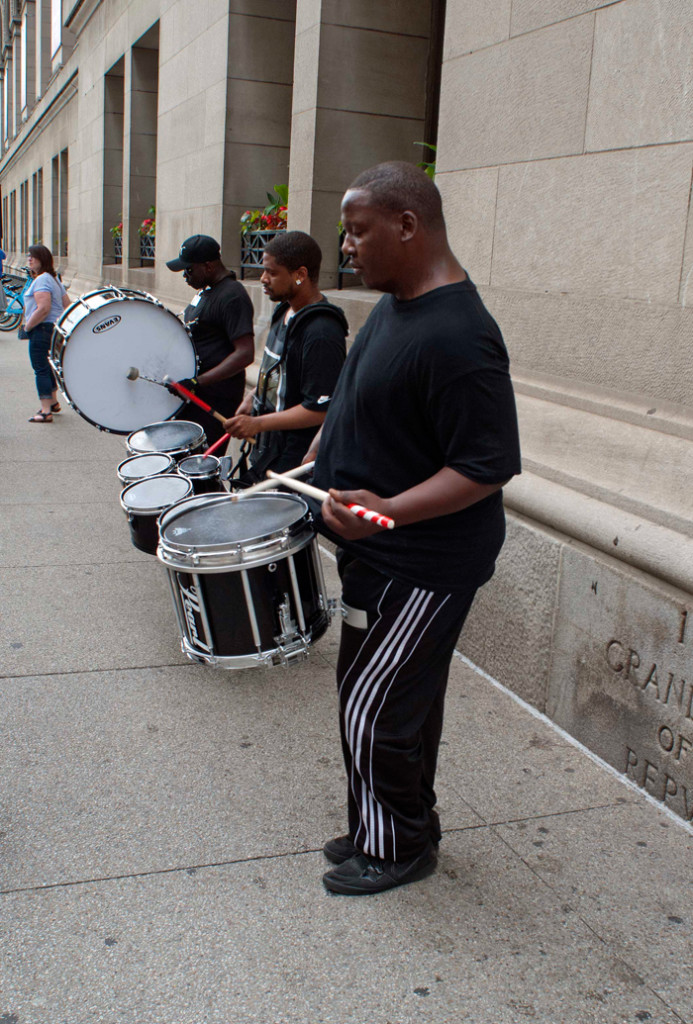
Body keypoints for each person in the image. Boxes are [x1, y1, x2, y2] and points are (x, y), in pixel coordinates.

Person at [306, 162, 522, 896]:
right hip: (375, 554)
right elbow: (365, 394)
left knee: (372, 706)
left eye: (358, 230)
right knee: (392, 697)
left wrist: (385, 512)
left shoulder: (461, 335)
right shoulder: (396, 304)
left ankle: (397, 849)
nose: (347, 245)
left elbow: (487, 466)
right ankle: (389, 822)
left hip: (423, 561)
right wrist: (322, 447)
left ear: (407, 225)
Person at [222, 230, 347, 481]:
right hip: (269, 451)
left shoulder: (321, 332)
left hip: (294, 463)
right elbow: (278, 368)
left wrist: (259, 424)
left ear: (300, 275)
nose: (263, 279)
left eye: (272, 272)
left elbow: (320, 410)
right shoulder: (284, 311)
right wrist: (254, 395)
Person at [166, 234, 255, 449]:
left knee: (201, 468)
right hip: (196, 395)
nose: (185, 276)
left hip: (214, 398)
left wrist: (199, 382)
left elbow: (245, 353)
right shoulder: (207, 291)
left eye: (189, 269)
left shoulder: (232, 296)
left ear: (208, 266)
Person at [24, 244, 70, 423]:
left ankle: (45, 411)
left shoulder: (42, 279)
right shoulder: (55, 279)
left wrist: (28, 326)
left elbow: (43, 308)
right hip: (54, 329)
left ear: (41, 259)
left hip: (41, 328)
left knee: (40, 368)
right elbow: (67, 304)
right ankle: (53, 402)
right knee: (49, 366)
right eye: (28, 256)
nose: (29, 259)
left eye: (32, 256)